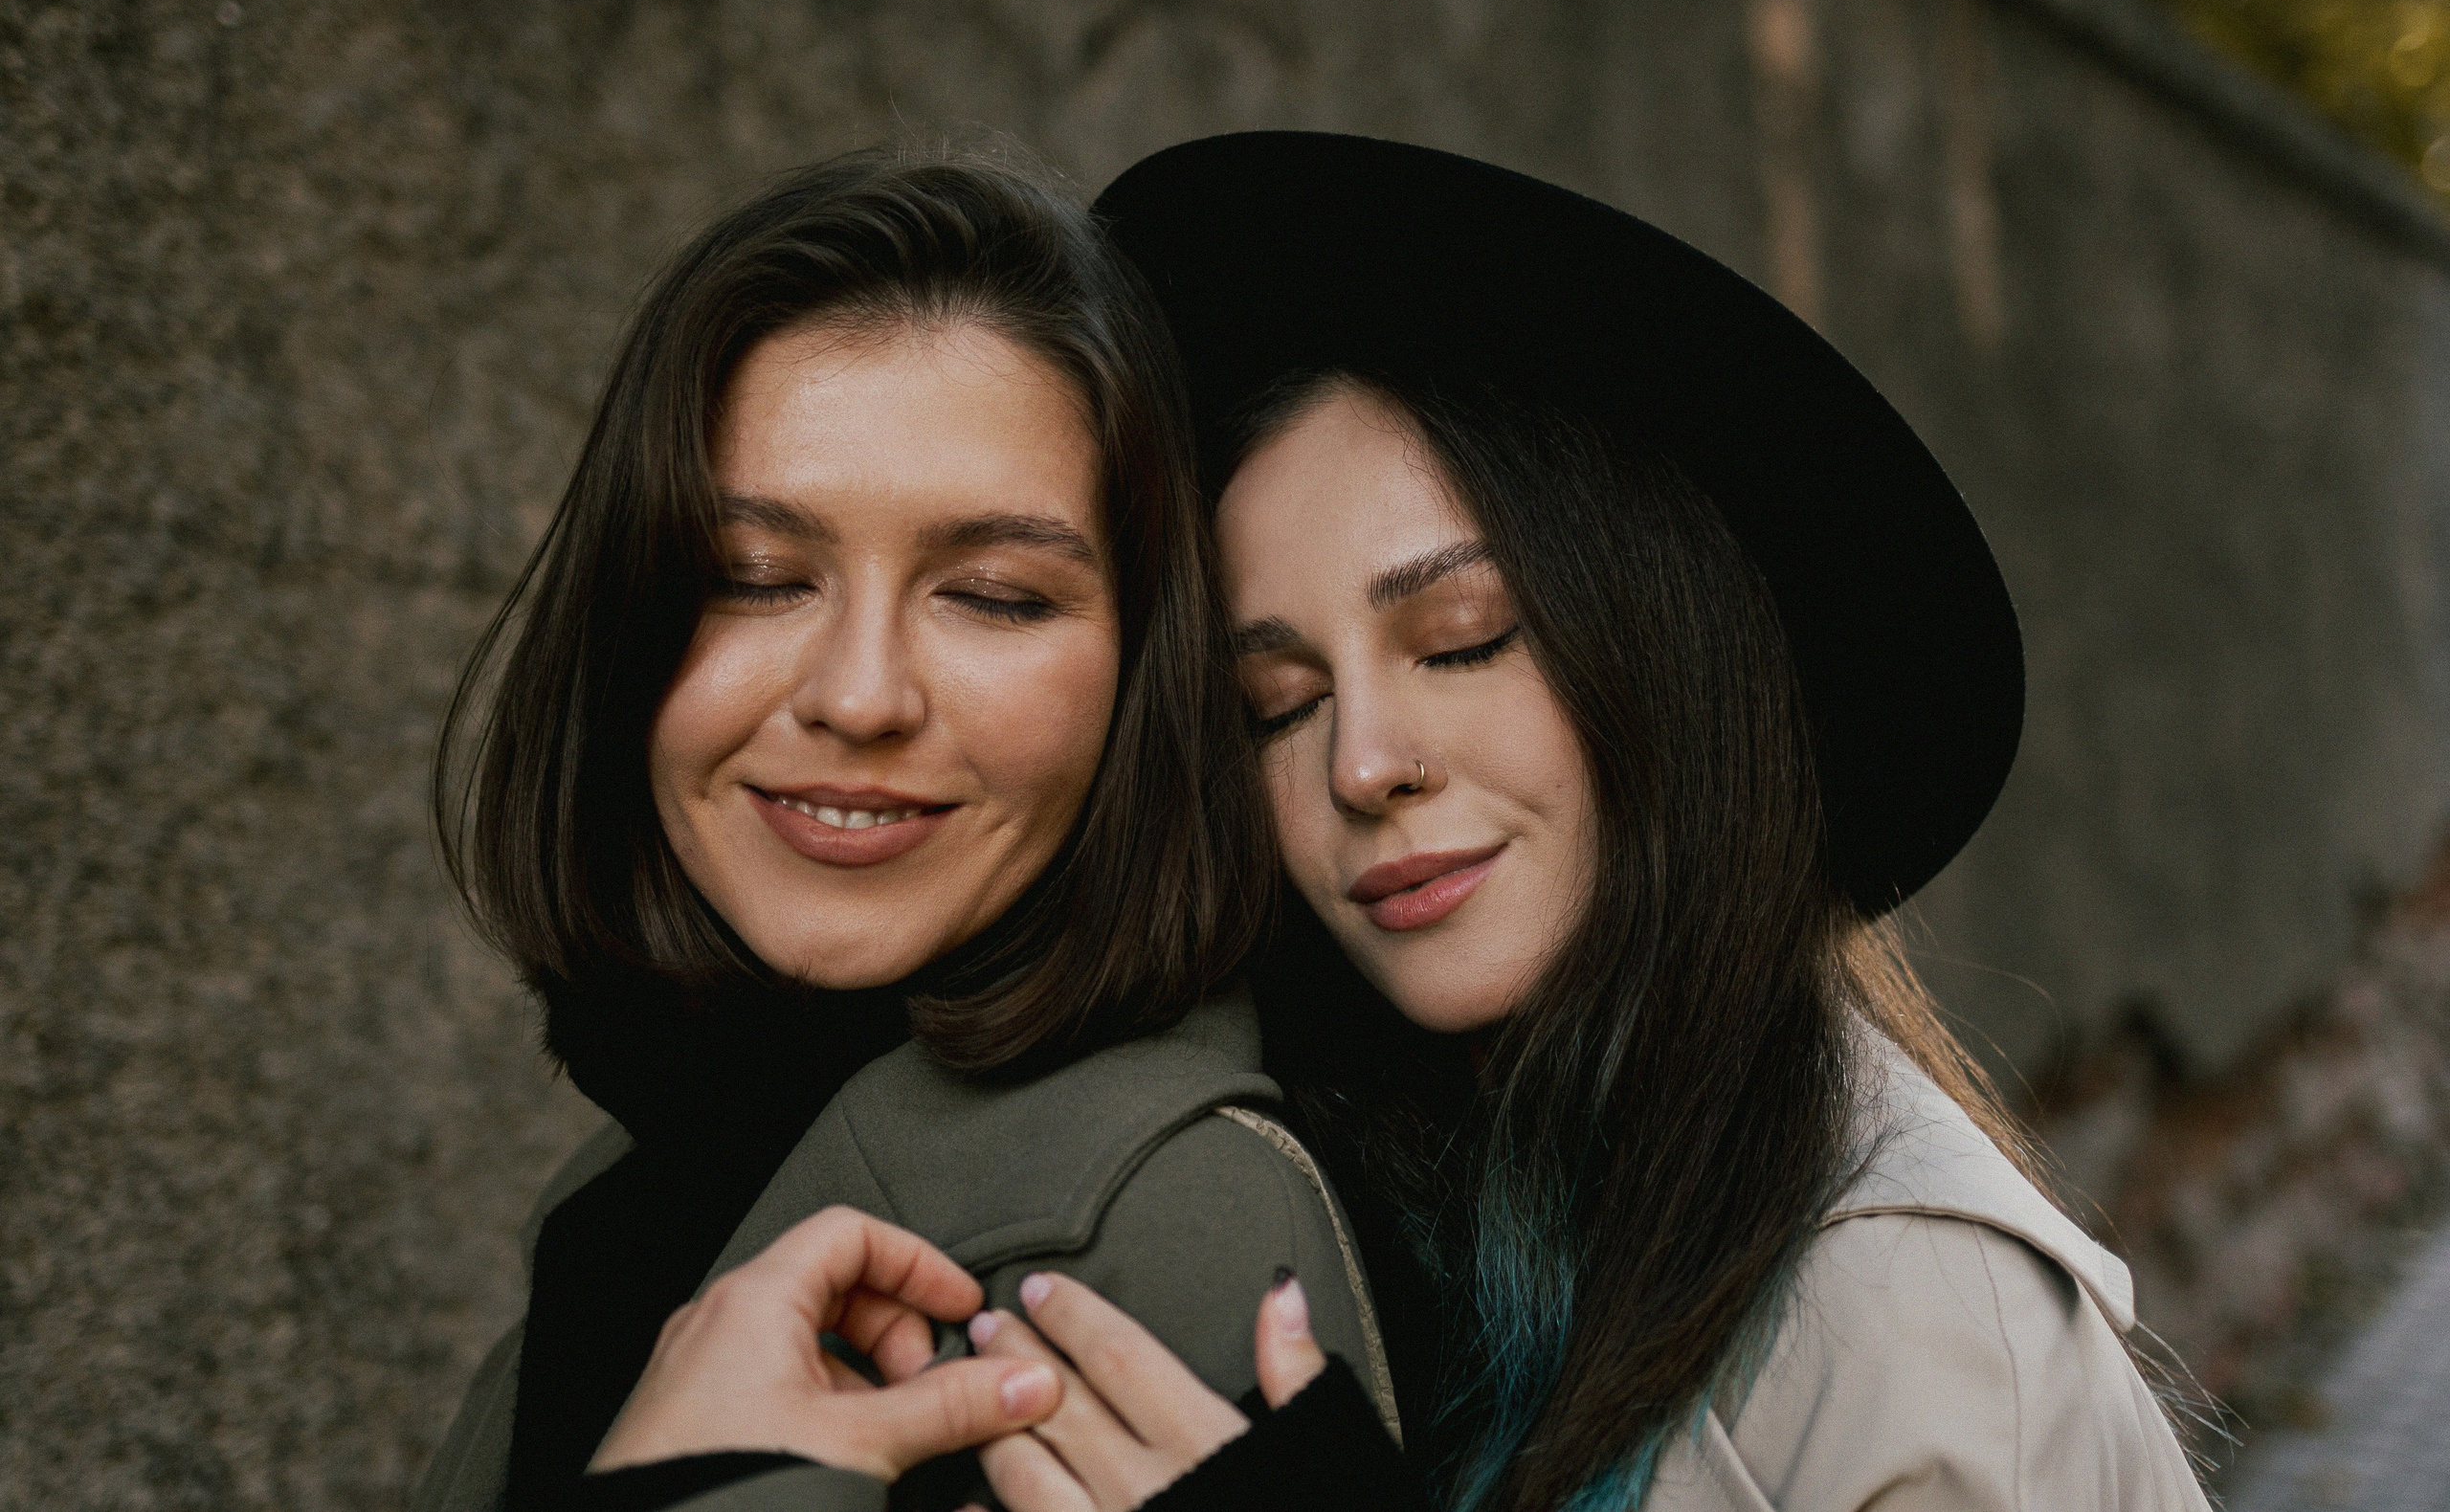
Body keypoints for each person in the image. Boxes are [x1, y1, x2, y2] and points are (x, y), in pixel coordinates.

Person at [944, 132, 2215, 1510]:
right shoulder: (1349, 1192)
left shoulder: (1919, 1315)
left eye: (1464, 639)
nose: (1362, 764)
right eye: (1276, 704)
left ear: (1660, 660)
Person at [410, 148, 1394, 1512]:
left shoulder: (1154, 1221)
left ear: (1146, 670)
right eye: (750, 579)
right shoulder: (636, 1177)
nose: (860, 695)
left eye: (993, 594)